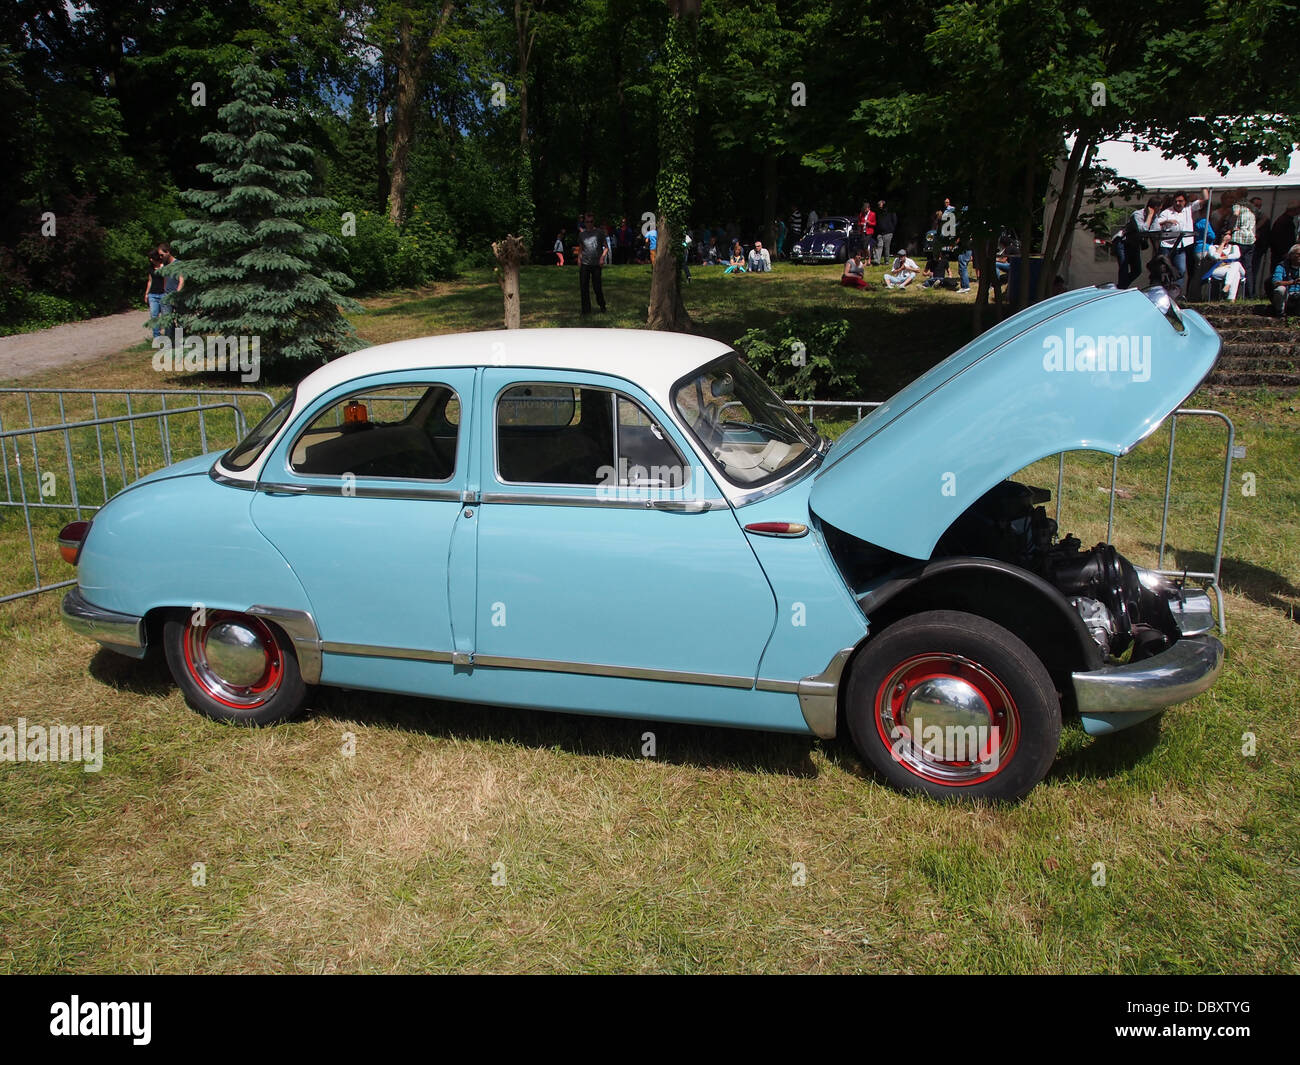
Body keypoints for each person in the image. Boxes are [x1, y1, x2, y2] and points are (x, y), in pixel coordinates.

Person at [1226, 191, 1257, 297]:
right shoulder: (1251, 209)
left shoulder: (1237, 206)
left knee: (1235, 265)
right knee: (1248, 267)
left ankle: (1234, 293)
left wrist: (1230, 229)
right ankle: (1250, 293)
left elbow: (1235, 215)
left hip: (1239, 239)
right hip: (1250, 240)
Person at [1200, 235, 1246, 301]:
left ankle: (1227, 284)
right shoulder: (1213, 247)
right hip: (1220, 269)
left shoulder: (1234, 247)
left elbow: (1236, 255)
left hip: (1236, 267)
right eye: (1225, 236)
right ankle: (1231, 298)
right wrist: (1223, 243)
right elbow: (1215, 257)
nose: (1227, 238)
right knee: (1236, 274)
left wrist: (1222, 258)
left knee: (1236, 264)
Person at [577, 213, 607, 315]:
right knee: (584, 287)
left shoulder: (599, 233)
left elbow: (606, 247)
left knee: (597, 287)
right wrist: (579, 259)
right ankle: (585, 310)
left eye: (591, 222)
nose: (589, 224)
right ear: (584, 222)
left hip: (596, 264)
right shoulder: (582, 234)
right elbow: (581, 248)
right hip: (585, 263)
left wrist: (602, 257)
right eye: (587, 222)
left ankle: (602, 305)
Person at [157, 243, 184, 341]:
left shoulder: (178, 264)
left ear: (167, 252)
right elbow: (165, 279)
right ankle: (168, 343)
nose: (160, 257)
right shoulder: (164, 265)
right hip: (166, 296)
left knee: (180, 320)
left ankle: (180, 342)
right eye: (159, 255)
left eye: (162, 255)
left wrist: (177, 294)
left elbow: (182, 280)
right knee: (167, 321)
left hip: (177, 296)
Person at [1271, 244, 1300, 318]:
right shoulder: (1282, 266)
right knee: (1280, 289)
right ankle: (1280, 311)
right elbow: (1276, 282)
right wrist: (1293, 282)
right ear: (1291, 255)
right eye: (1298, 254)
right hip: (1287, 295)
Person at [144, 250, 166, 338]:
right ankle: (157, 336)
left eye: (151, 258)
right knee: (154, 316)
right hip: (153, 294)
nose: (150, 260)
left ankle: (169, 335)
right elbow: (150, 281)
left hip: (163, 294)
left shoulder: (164, 266)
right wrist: (146, 293)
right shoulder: (151, 268)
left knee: (165, 316)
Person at [873, 200, 896, 265]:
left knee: (886, 247)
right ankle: (877, 260)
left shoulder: (890, 212)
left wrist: (891, 229)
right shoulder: (878, 213)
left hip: (888, 232)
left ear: (883, 204)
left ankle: (886, 261)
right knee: (879, 246)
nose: (879, 206)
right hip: (879, 233)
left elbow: (894, 221)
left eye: (880, 205)